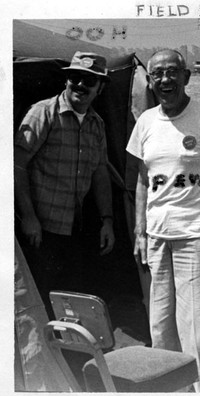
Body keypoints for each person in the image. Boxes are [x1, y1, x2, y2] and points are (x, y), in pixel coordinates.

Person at [126, 49, 200, 392]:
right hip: (158, 239)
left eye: (172, 72)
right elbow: (143, 181)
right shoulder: (146, 122)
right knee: (161, 329)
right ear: (149, 81)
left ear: (186, 76)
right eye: (157, 74)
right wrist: (140, 232)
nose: (165, 80)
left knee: (199, 331)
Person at [14, 51, 115, 316]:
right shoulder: (43, 113)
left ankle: (73, 352)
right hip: (41, 229)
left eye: (89, 81)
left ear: (100, 88)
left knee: (70, 296)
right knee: (42, 298)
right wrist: (28, 217)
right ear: (66, 80)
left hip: (75, 228)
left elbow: (100, 173)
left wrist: (107, 221)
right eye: (75, 77)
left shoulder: (96, 124)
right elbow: (17, 164)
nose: (80, 85)